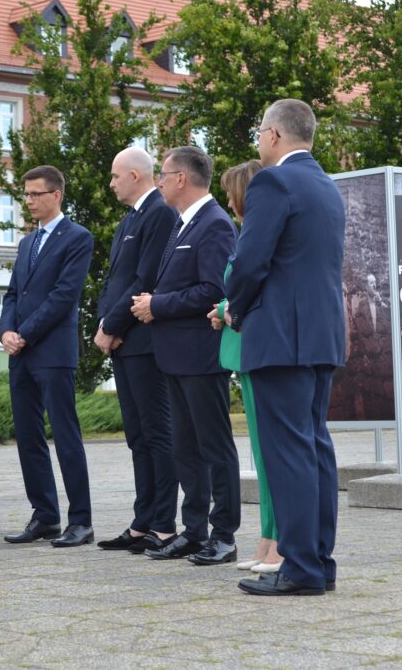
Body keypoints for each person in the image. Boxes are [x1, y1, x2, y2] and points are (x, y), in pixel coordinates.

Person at [225, 99, 346, 596]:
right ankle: (318, 562)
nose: (258, 141)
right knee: (314, 449)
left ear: (274, 135)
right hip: (320, 337)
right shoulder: (326, 186)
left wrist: (235, 306)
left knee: (288, 453)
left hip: (279, 337)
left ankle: (298, 569)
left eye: (259, 131)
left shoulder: (273, 182)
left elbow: (250, 260)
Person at [131, 146, 240, 566]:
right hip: (174, 355)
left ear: (181, 178)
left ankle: (224, 535)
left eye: (162, 174)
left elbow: (213, 291)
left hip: (200, 354)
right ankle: (193, 532)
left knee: (214, 447)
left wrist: (157, 305)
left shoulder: (214, 224)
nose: (157, 181)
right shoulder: (181, 225)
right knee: (185, 449)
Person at [0, 165, 95, 548]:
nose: (29, 201)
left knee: (66, 435)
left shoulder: (78, 238)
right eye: (25, 195)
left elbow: (63, 297)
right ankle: (44, 517)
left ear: (56, 195)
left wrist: (23, 333)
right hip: (21, 353)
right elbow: (11, 295)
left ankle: (81, 521)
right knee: (28, 436)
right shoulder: (26, 243)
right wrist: (5, 330)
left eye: (35, 194)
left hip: (53, 352)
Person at [94, 147, 179, 554]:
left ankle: (164, 523)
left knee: (157, 433)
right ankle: (143, 521)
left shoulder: (160, 213)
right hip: (124, 343)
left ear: (133, 175)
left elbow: (146, 280)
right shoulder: (131, 218)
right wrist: (103, 322)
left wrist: (111, 325)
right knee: (137, 436)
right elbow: (115, 281)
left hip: (144, 342)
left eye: (114, 176)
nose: (110, 184)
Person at [206, 159, 281, 574]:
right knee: (260, 453)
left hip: (259, 345)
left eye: (232, 193)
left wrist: (222, 307)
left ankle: (278, 543)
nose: (229, 202)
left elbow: (253, 287)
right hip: (245, 351)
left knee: (271, 456)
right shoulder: (247, 235)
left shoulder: (258, 235)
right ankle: (267, 540)